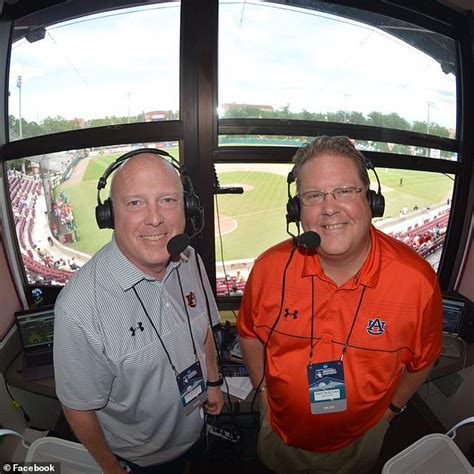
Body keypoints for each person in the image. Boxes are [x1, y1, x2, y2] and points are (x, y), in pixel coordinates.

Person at [237, 136, 442, 474]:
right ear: (296, 208)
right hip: (278, 432)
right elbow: (248, 334)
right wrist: (262, 396)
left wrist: (390, 412)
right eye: (313, 196)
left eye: (345, 191)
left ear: (372, 200)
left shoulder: (417, 282)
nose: (329, 208)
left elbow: (424, 359)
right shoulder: (268, 269)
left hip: (361, 442)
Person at [54, 152, 224, 473]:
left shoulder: (189, 258)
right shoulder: (77, 309)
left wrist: (213, 382)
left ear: (186, 207)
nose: (156, 218)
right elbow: (78, 406)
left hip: (198, 426)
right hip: (142, 460)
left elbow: (202, 328)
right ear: (109, 215)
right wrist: (111, 468)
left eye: (168, 200)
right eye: (135, 203)